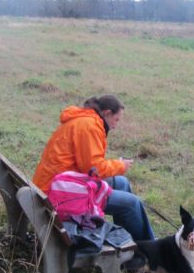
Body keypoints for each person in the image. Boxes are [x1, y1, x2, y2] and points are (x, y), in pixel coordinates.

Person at [32, 95, 155, 246]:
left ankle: (127, 244)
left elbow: (88, 166)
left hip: (58, 184)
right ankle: (148, 253)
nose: (115, 126)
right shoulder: (89, 126)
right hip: (58, 194)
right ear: (107, 113)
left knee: (121, 183)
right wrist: (120, 166)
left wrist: (117, 168)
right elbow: (93, 169)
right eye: (116, 120)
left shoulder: (85, 120)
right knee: (132, 204)